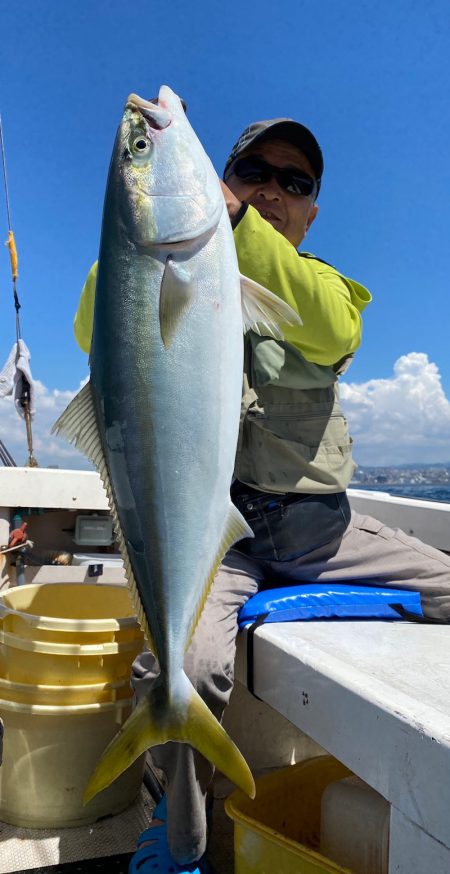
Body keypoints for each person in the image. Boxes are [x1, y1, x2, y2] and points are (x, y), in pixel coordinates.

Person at [74, 115, 450, 873]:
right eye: (253, 173)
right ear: (224, 181)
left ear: (312, 211)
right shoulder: (170, 267)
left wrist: (231, 223)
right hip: (223, 544)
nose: (272, 191)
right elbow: (95, 326)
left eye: (295, 183)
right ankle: (175, 839)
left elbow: (333, 322)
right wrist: (138, 235)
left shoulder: (325, 289)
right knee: (181, 667)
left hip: (326, 534)